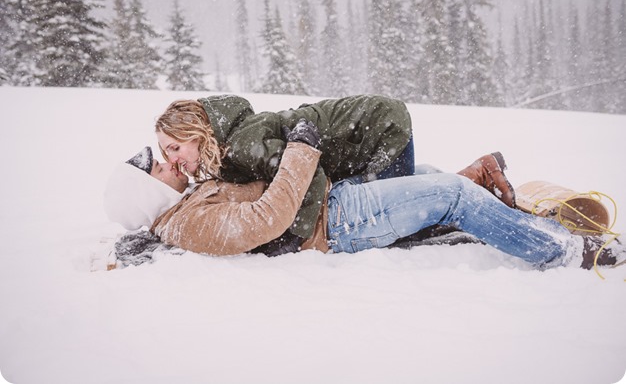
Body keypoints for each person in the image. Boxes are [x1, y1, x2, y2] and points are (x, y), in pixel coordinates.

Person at [104, 120, 621, 271]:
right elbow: (267, 218)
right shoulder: (185, 224)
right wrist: (302, 148)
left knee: (437, 177)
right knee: (448, 194)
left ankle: (530, 212)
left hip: (332, 198)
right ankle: (567, 252)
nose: (168, 162)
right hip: (336, 223)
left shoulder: (188, 201)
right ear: (147, 195)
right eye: (158, 166)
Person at [153, 94, 516, 251]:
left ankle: (474, 183)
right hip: (370, 129)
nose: (174, 160)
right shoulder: (231, 146)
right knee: (402, 198)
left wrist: (295, 236)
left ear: (196, 133)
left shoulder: (242, 145)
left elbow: (307, 172)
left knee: (405, 226)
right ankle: (478, 173)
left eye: (174, 148)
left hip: (378, 131)